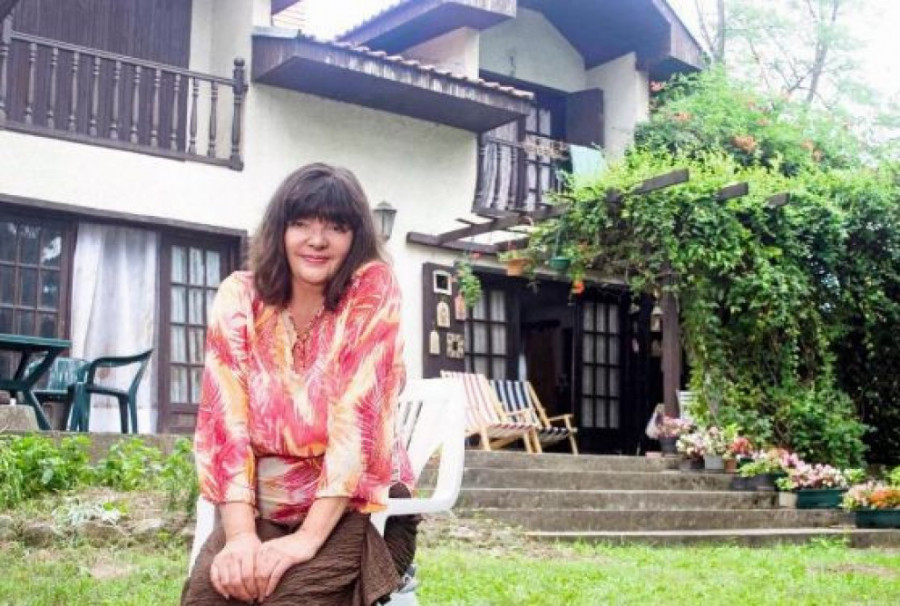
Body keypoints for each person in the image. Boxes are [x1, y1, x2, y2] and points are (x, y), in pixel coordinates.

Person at [182, 163, 417, 605]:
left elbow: (357, 425)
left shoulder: (372, 290)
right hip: (263, 507)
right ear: (280, 230)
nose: (317, 239)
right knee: (210, 596)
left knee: (289, 598)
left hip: (354, 509)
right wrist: (240, 539)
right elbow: (224, 424)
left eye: (336, 227)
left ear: (356, 238)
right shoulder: (239, 296)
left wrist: (305, 541)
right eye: (302, 223)